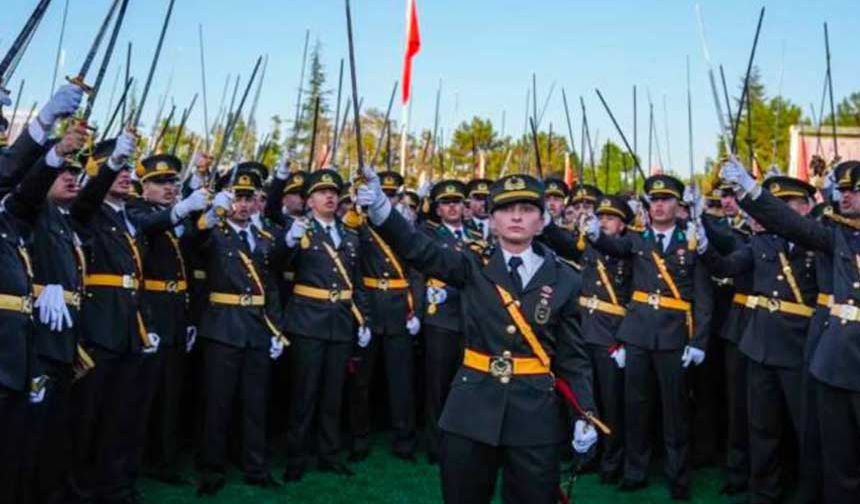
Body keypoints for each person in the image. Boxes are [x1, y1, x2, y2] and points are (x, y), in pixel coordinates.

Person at [357, 168, 599, 504]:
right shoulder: (471, 264)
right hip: (471, 407)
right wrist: (383, 210)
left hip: (534, 412)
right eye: (506, 209)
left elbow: (573, 357)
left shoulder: (566, 279)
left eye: (527, 209)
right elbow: (418, 248)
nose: (516, 216)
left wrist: (584, 412)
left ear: (542, 221)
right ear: (492, 220)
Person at [720, 159, 860, 503]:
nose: (845, 197)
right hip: (839, 359)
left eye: (854, 191)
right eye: (841, 191)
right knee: (839, 458)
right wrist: (751, 190)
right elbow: (791, 224)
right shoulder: (838, 236)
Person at [583, 174, 713, 500]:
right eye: (653, 200)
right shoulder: (638, 240)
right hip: (638, 334)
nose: (659, 205)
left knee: (675, 412)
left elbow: (704, 299)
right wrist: (594, 233)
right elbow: (612, 244)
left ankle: (678, 477)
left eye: (666, 199)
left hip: (673, 336)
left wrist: (698, 342)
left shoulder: (692, 241)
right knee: (635, 407)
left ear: (678, 205)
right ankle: (634, 471)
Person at [700, 172, 819, 504]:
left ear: (807, 208)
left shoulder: (817, 243)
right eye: (773, 204)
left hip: (799, 346)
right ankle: (763, 491)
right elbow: (726, 267)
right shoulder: (762, 242)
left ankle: (809, 490)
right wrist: (705, 244)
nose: (775, 211)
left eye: (786, 204)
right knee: (760, 427)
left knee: (805, 428)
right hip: (760, 345)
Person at [67, 132, 162, 503]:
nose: (125, 175)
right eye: (117, 168)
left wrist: (147, 325)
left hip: (128, 328)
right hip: (99, 327)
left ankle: (115, 484)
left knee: (121, 416)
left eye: (126, 169)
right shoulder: (88, 211)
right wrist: (108, 167)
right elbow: (88, 197)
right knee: (88, 417)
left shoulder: (129, 219)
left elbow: (138, 279)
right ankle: (81, 489)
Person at [193, 165, 288, 495]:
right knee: (218, 403)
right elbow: (196, 239)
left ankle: (255, 467)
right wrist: (210, 209)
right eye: (237, 197)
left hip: (257, 328)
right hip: (223, 326)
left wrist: (277, 329)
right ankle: (211, 470)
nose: (244, 205)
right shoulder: (213, 232)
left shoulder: (264, 238)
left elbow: (271, 288)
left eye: (249, 198)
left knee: (255, 403)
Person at [282, 168, 370, 482]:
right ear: (309, 200)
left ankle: (328, 454)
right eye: (321, 192)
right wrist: (290, 241)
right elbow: (277, 265)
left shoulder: (349, 234)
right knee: (304, 394)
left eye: (334, 192)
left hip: (341, 322)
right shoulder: (300, 231)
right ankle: (296, 457)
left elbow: (357, 282)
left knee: (334, 394)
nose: (330, 197)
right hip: (308, 320)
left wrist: (364, 319)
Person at [128, 154, 208, 485]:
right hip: (150, 312)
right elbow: (151, 225)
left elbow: (190, 261)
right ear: (144, 186)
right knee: (143, 396)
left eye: (172, 183)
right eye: (160, 183)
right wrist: (183, 208)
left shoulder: (177, 219)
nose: (168, 188)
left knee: (171, 395)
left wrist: (207, 215)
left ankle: (165, 460)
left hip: (176, 312)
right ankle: (134, 461)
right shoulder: (136, 210)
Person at [543, 194, 634, 484]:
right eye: (601, 217)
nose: (604, 222)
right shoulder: (588, 246)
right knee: (584, 400)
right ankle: (586, 455)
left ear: (622, 225)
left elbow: (637, 298)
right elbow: (564, 244)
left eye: (610, 218)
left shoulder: (631, 251)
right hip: (582, 330)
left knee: (611, 402)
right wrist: (546, 221)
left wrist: (625, 339)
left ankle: (612, 460)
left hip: (611, 334)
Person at [348, 170, 420, 461]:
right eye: (383, 194)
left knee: (401, 381)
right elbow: (351, 271)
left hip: (399, 309)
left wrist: (415, 310)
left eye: (392, 195)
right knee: (361, 381)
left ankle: (404, 440)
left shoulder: (403, 226)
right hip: (369, 306)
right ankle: (359, 438)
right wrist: (360, 315)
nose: (387, 199)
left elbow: (416, 271)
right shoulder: (359, 224)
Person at [418, 179, 472, 464]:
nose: (453, 207)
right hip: (441, 317)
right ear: (437, 209)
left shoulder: (475, 233)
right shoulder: (429, 234)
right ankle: (435, 444)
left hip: (471, 318)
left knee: (466, 385)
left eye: (457, 202)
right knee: (438, 385)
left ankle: (462, 440)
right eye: (446, 203)